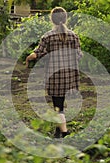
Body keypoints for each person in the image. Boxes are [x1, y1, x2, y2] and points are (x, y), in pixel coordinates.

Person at [26, 7, 83, 138]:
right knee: (60, 103)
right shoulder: (73, 36)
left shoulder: (47, 36)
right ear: (65, 18)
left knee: (58, 106)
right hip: (70, 76)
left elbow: (37, 54)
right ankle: (58, 131)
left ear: (52, 19)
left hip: (55, 76)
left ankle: (64, 132)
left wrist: (28, 58)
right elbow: (79, 55)